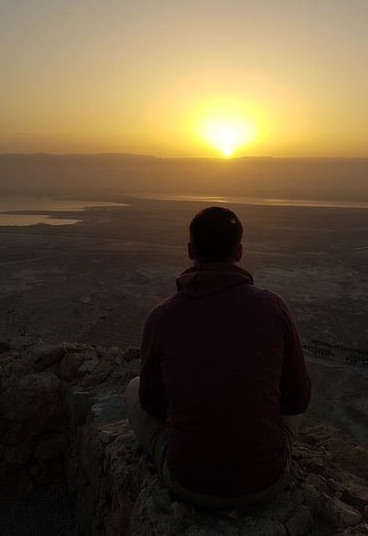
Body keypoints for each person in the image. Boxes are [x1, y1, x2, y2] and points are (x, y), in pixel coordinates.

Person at [124, 206, 311, 508]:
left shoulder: (162, 316)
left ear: (190, 250)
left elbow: (153, 403)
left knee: (133, 387)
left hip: (189, 482)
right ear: (238, 252)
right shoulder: (273, 307)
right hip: (265, 481)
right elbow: (298, 399)